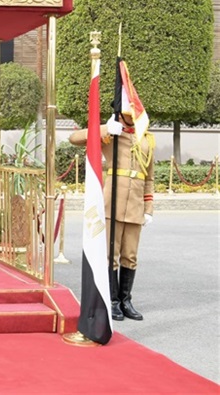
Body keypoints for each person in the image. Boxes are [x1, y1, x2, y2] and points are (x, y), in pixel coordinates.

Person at [69, 111, 155, 321]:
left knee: (130, 255)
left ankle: (126, 300)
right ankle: (113, 300)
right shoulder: (111, 135)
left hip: (135, 204)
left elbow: (149, 178)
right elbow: (75, 138)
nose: (132, 115)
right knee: (111, 254)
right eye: (127, 111)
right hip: (112, 201)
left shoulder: (147, 139)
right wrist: (106, 129)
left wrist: (148, 208)